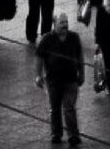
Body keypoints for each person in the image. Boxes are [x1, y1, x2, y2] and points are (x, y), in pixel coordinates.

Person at [35, 11, 86, 144]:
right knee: (55, 108)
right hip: (53, 81)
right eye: (62, 22)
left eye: (66, 22)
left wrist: (82, 73)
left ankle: (73, 135)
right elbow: (39, 57)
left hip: (71, 80)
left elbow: (80, 57)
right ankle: (56, 133)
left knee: (69, 108)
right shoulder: (47, 39)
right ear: (55, 24)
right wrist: (38, 75)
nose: (65, 25)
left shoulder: (74, 37)